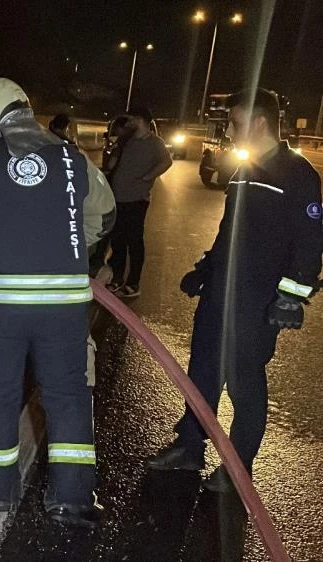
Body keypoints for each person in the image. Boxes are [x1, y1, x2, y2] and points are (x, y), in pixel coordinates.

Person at [0, 77, 115, 528]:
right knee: (69, 396)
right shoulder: (74, 161)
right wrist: (68, 246)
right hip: (63, 308)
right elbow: (105, 215)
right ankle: (71, 499)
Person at [147, 88, 323, 492]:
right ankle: (190, 447)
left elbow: (310, 241)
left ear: (260, 122)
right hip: (220, 294)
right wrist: (208, 267)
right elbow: (231, 231)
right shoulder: (245, 170)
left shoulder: (296, 174)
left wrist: (292, 297)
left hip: (257, 302)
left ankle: (238, 468)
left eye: (235, 122)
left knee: (245, 382)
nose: (229, 130)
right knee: (202, 373)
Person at [105, 106, 172, 298]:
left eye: (131, 119)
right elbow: (113, 162)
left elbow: (166, 162)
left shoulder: (155, 143)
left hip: (137, 200)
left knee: (133, 241)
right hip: (118, 197)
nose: (128, 123)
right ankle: (117, 278)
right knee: (117, 240)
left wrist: (147, 177)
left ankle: (133, 283)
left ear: (140, 120)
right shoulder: (127, 140)